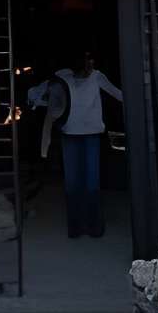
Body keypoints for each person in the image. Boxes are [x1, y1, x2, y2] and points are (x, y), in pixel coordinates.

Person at [50, 47, 122, 239]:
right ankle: (80, 228)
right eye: (87, 62)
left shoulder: (96, 77)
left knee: (89, 183)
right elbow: (47, 95)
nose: (90, 66)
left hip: (88, 134)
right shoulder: (63, 77)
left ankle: (90, 227)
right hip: (72, 133)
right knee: (76, 184)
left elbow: (118, 94)